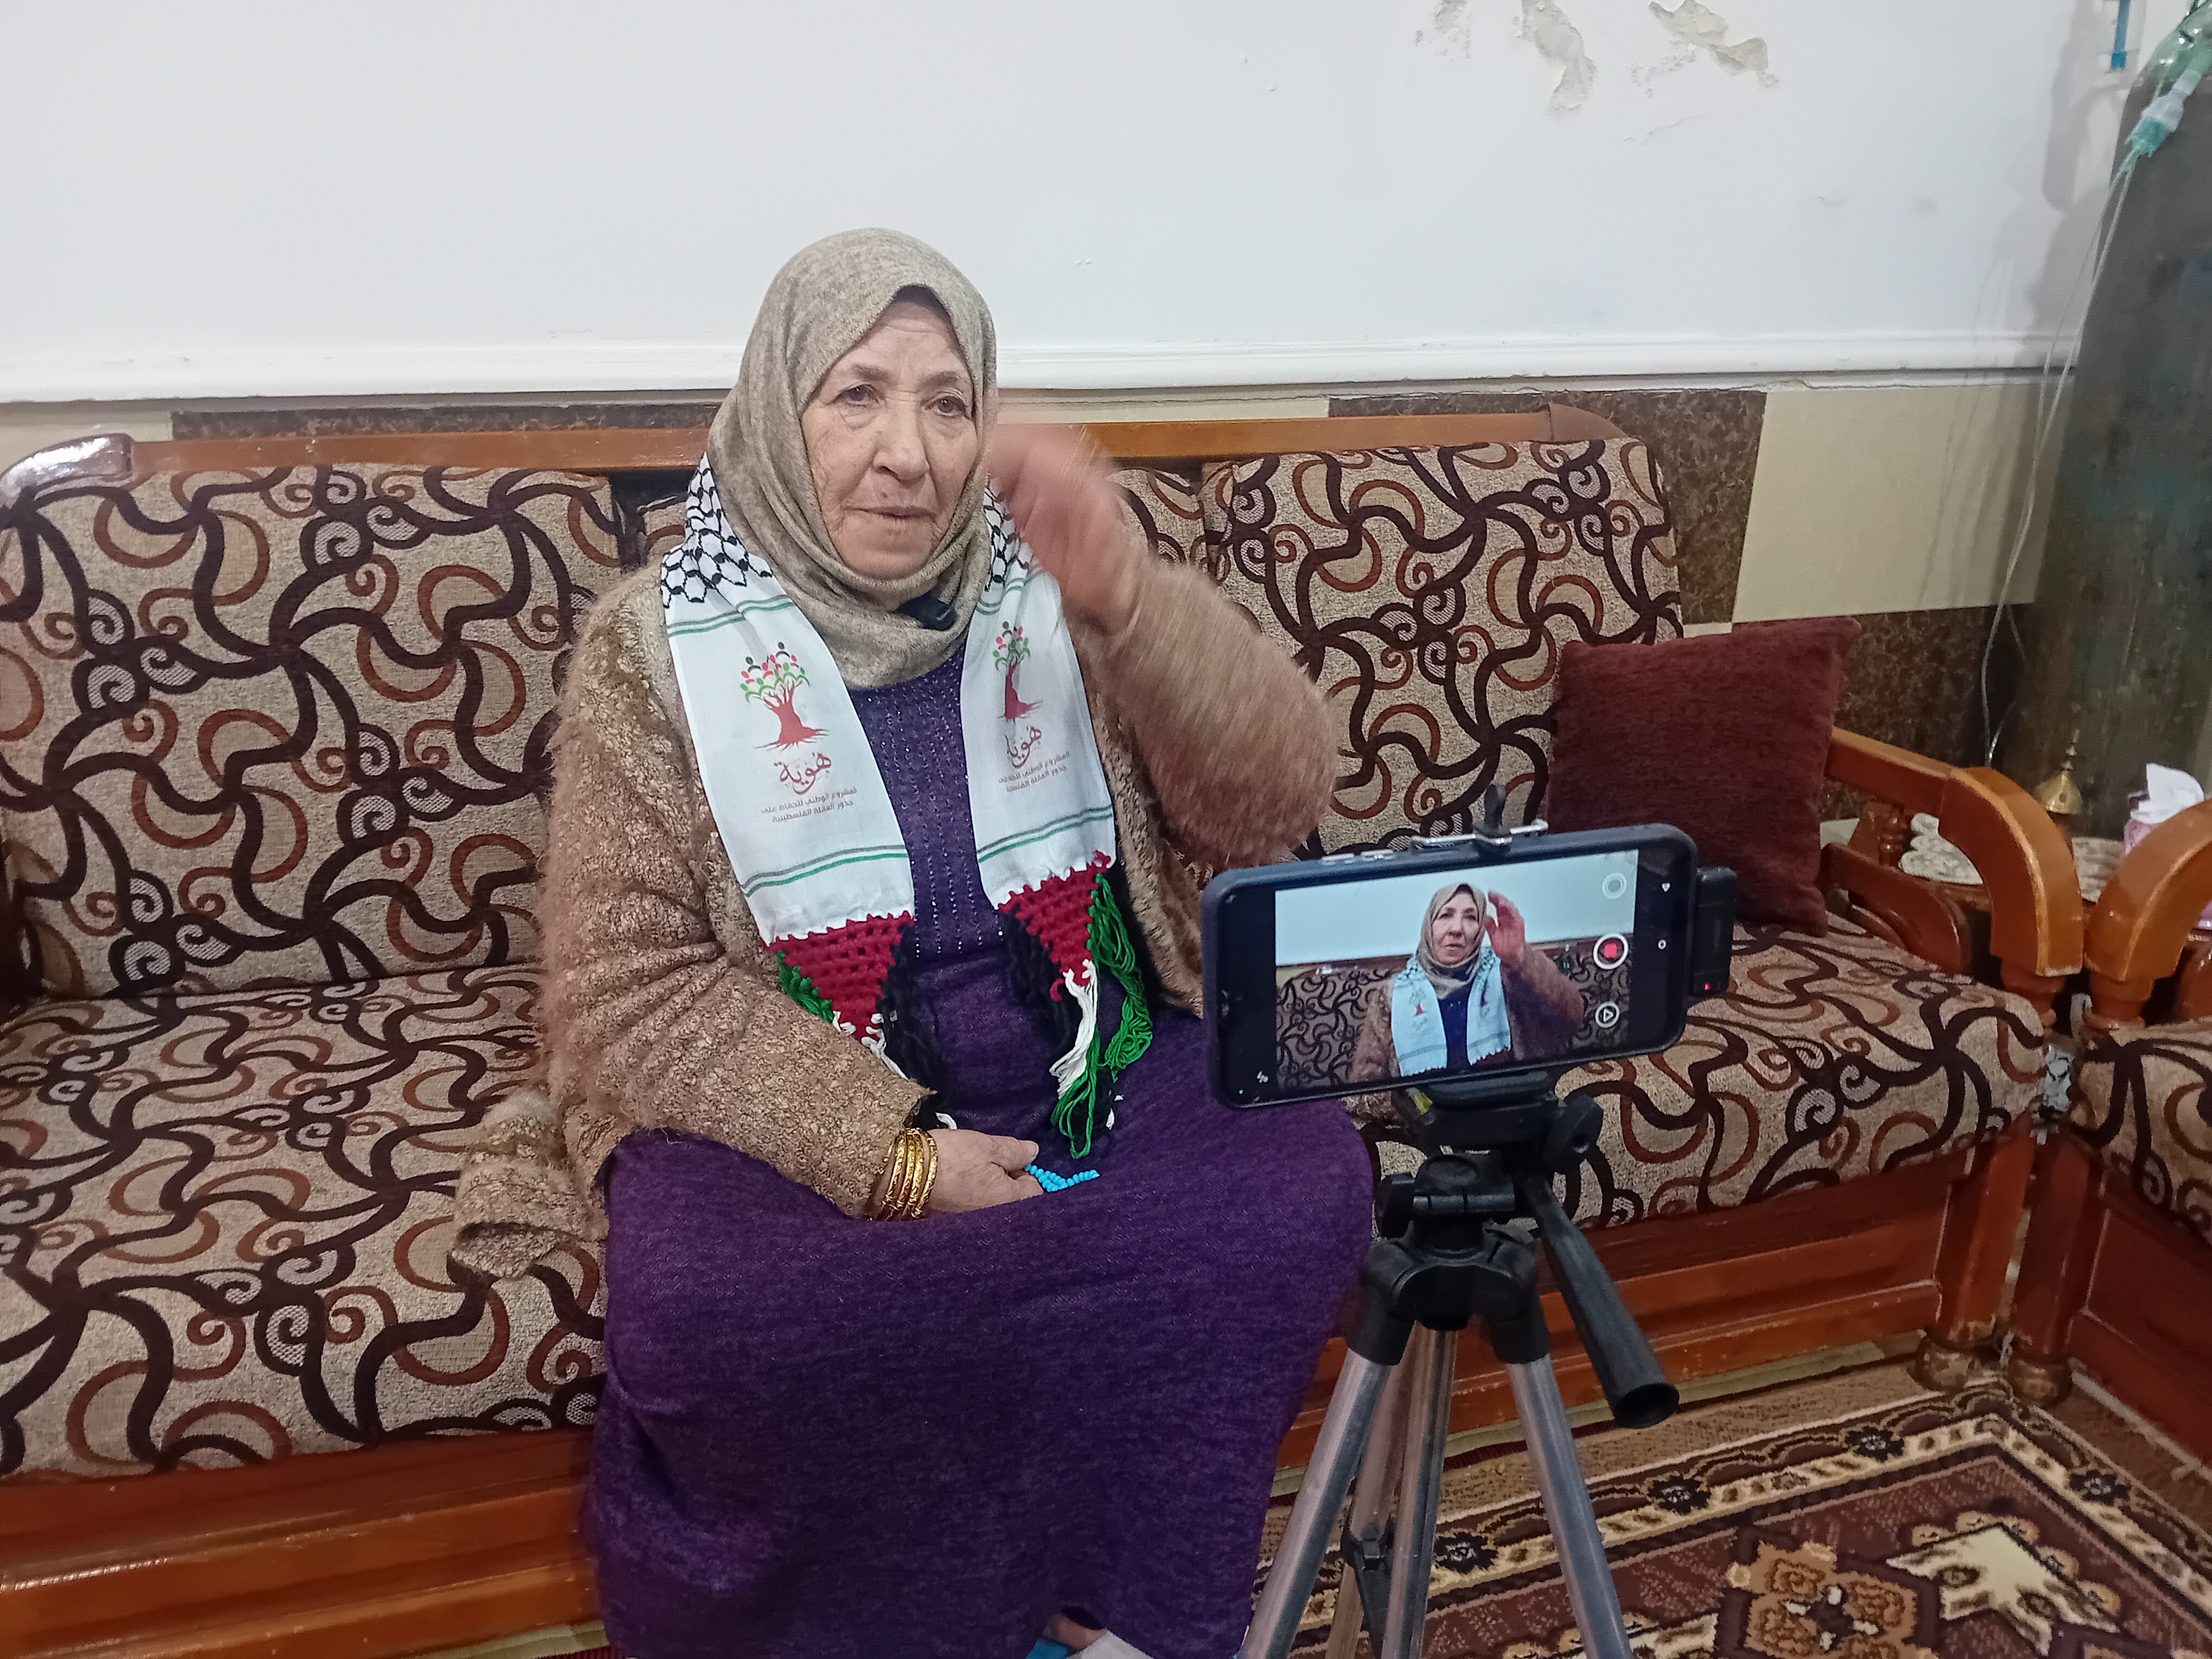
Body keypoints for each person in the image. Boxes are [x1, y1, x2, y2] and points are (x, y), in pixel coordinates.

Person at [454, 229, 1372, 1659]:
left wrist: (1131, 601)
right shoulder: (656, 645)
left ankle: (1116, 1601)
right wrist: (893, 1159)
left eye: (949, 403)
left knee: (1302, 1181)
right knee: (720, 1311)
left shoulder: (1057, 586)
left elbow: (1273, 803)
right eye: (857, 396)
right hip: (796, 1085)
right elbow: (622, 989)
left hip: (1088, 1047)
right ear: (778, 414)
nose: (909, 453)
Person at [1348, 883, 1584, 1083]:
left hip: (1509, 1109)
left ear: (1481, 930)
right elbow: (1365, 1085)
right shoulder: (1393, 995)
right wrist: (1411, 1110)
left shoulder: (1507, 973)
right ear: (1429, 926)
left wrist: (1520, 959)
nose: (1457, 929)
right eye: (1445, 916)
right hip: (1426, 1119)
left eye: (1471, 918)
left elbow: (1571, 1018)